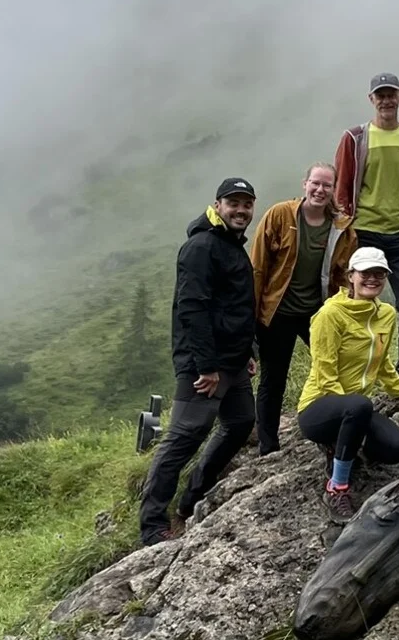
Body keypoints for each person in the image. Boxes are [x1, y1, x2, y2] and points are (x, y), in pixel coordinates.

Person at [139, 178, 259, 546]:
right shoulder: (202, 246)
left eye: (246, 204)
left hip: (233, 361)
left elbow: (237, 304)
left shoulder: (231, 245)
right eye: (233, 203)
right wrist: (205, 366)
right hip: (205, 364)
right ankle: (152, 524)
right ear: (217, 204)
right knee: (184, 437)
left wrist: (249, 351)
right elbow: (192, 309)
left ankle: (192, 497)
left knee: (240, 422)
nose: (241, 210)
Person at [296, 247, 399, 522]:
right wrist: (351, 413)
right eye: (366, 273)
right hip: (319, 408)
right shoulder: (330, 315)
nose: (373, 279)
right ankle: (337, 487)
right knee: (359, 405)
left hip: (356, 410)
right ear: (350, 276)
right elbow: (325, 372)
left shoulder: (386, 314)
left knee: (394, 450)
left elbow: (383, 361)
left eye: (379, 274)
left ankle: (345, 444)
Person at [248, 162, 358, 456]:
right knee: (274, 379)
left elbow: (344, 276)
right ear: (304, 184)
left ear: (334, 190)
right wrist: (253, 320)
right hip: (278, 312)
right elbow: (258, 269)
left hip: (317, 313)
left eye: (327, 185)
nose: (320, 190)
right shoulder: (280, 215)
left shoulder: (342, 228)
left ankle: (333, 428)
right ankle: (268, 447)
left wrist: (345, 315)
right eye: (316, 183)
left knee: (332, 368)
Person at [334, 72, 399, 383]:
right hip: (365, 234)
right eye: (380, 95)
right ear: (371, 99)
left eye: (391, 94)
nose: (386, 100)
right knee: (355, 305)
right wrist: (343, 230)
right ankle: (353, 372)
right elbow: (343, 187)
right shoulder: (355, 138)